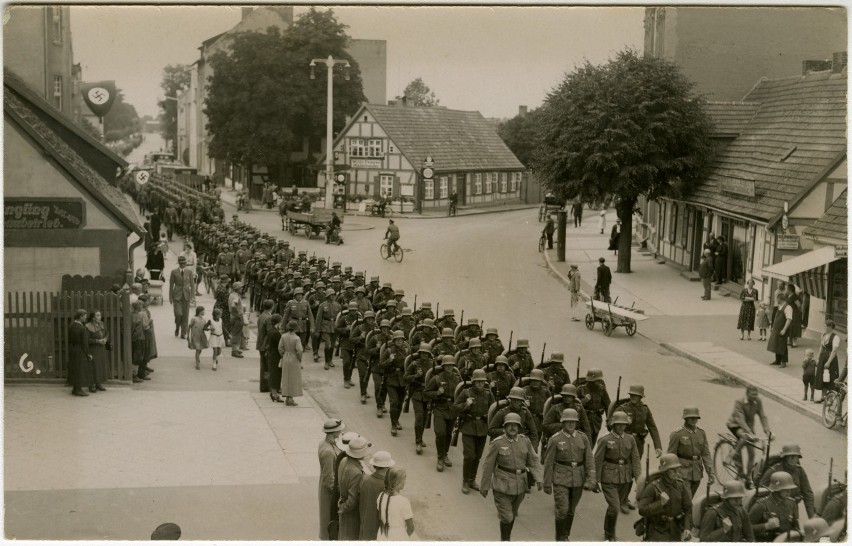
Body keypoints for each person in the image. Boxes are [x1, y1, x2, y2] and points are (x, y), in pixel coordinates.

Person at [480, 412, 544, 542]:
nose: (513, 428)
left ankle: (505, 538)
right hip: (502, 485)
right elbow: (488, 465)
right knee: (507, 517)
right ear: (504, 426)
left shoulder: (525, 441)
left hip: (520, 485)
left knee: (512, 515)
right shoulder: (497, 443)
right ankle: (505, 540)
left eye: (516, 425)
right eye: (510, 425)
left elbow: (533, 460)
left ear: (519, 427)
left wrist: (539, 478)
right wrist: (484, 486)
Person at [542, 408, 596, 541]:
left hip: (578, 478)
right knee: (563, 509)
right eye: (567, 422)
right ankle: (559, 538)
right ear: (563, 423)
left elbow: (589, 459)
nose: (570, 424)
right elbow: (548, 463)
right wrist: (547, 483)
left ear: (577, 423)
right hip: (560, 478)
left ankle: (565, 536)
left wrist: (591, 478)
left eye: (573, 422)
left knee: (571, 510)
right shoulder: (555, 439)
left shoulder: (582, 438)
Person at [594, 410, 641, 541]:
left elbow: (635, 459)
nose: (621, 427)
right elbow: (597, 460)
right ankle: (610, 534)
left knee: (614, 507)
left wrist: (639, 479)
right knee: (615, 506)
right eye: (618, 424)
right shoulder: (605, 440)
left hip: (625, 478)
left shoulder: (630, 439)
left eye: (623, 424)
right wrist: (595, 480)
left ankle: (607, 530)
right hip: (608, 478)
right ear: (613, 425)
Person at [455, 368, 496, 494]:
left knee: (477, 456)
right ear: (473, 381)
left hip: (482, 428)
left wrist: (488, 418)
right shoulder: (466, 393)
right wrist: (466, 405)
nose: (480, 384)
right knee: (469, 456)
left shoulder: (488, 394)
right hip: (468, 427)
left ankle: (472, 479)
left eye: (482, 382)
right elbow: (455, 408)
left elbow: (494, 409)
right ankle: (465, 481)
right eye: (478, 381)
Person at [637, 454, 693, 542]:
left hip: (675, 528)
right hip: (657, 529)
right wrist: (660, 503)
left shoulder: (680, 485)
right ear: (665, 471)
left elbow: (688, 508)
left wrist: (687, 528)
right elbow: (642, 510)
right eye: (673, 470)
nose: (676, 473)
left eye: (677, 469)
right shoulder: (653, 487)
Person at [726, 386, 772, 487]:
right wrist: (750, 433)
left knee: (752, 453)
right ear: (747, 393)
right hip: (735, 425)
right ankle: (733, 453)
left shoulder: (758, 401)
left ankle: (747, 478)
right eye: (753, 394)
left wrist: (767, 431)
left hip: (749, 428)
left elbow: (763, 416)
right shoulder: (739, 402)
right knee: (745, 437)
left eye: (756, 394)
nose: (755, 396)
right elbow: (740, 419)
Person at [425, 355, 463, 472]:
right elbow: (426, 393)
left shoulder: (457, 379)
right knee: (440, 433)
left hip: (452, 409)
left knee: (448, 434)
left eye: (451, 365)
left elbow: (463, 391)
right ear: (443, 366)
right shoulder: (436, 379)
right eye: (447, 365)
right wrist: (437, 393)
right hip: (440, 408)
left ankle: (445, 454)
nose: (449, 367)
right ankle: (440, 458)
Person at [667, 407, 714, 497]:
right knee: (687, 498)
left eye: (695, 418)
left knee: (689, 498)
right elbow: (671, 455)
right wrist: (672, 473)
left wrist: (710, 472)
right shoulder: (677, 434)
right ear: (685, 418)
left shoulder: (701, 433)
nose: (693, 420)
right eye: (691, 417)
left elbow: (705, 454)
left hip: (697, 472)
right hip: (683, 471)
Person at [758, 444, 815, 518]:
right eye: (790, 456)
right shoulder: (773, 470)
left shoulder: (799, 470)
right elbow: (760, 491)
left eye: (795, 456)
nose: (793, 459)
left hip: (791, 509)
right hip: (773, 509)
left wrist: (811, 517)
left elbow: (808, 494)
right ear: (785, 457)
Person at [749, 471, 800, 541]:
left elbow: (795, 526)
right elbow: (746, 528)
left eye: (790, 489)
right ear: (777, 489)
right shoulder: (761, 505)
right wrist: (766, 526)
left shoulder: (791, 503)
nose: (789, 492)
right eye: (785, 489)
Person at [337, 436, 370, 540]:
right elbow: (352, 501)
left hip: (343, 504)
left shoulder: (344, 461)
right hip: (351, 514)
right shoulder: (356, 473)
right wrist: (343, 508)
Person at [318, 418, 345, 540]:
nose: (340, 433)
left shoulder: (325, 444)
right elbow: (329, 479)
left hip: (326, 486)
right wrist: (337, 495)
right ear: (333, 432)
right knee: (328, 517)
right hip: (329, 490)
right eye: (338, 431)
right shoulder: (328, 451)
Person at [380, 330, 411, 436]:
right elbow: (381, 364)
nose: (399, 341)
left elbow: (410, 365)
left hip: (403, 380)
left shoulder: (406, 351)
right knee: (393, 403)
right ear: (394, 340)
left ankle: (396, 419)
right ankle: (393, 425)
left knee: (400, 403)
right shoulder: (389, 350)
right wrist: (389, 360)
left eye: (401, 340)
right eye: (397, 340)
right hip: (391, 380)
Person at [360, 451, 395, 540]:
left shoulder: (365, 480)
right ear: (388, 467)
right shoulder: (386, 486)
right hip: (378, 528)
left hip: (365, 523)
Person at [377, 467, 415, 541]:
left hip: (382, 534)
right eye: (403, 480)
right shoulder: (403, 501)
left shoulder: (380, 496)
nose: (405, 482)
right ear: (397, 482)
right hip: (398, 536)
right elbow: (410, 528)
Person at [814, 319, 841, 402]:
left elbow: (834, 351)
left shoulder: (835, 337)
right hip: (823, 358)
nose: (824, 327)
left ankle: (830, 398)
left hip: (830, 359)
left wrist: (829, 362)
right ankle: (823, 396)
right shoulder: (823, 335)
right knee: (822, 377)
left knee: (830, 377)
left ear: (830, 327)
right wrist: (818, 358)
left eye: (826, 326)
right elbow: (821, 347)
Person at [168, 255, 195, 339]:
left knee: (185, 315)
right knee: (178, 314)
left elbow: (192, 285)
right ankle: (177, 327)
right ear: (179, 263)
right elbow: (171, 285)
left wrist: (192, 297)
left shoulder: (189, 272)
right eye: (181, 263)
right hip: (177, 295)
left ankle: (184, 333)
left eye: (184, 263)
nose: (183, 264)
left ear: (186, 263)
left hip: (186, 295)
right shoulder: (174, 272)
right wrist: (170, 297)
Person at [277, 320, 303, 406]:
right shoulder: (296, 338)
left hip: (285, 357)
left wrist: (283, 354)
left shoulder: (283, 336)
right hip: (294, 357)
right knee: (293, 379)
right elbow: (299, 350)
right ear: (296, 328)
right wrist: (299, 359)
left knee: (286, 378)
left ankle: (287, 397)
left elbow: (280, 348)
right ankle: (290, 398)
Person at [69, 308, 94, 396]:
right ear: (80, 317)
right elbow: (84, 343)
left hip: (72, 348)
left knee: (75, 369)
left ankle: (75, 389)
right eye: (84, 316)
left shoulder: (71, 325)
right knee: (80, 369)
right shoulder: (82, 328)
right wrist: (88, 354)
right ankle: (78, 390)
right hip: (79, 349)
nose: (85, 318)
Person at [85, 310, 109, 393]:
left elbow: (107, 333)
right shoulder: (87, 326)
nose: (100, 317)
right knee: (93, 366)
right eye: (98, 315)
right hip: (93, 349)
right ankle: (91, 385)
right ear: (93, 317)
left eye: (100, 315)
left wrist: (105, 339)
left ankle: (99, 383)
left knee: (100, 365)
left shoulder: (102, 324)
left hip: (101, 349)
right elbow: (87, 340)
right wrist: (98, 341)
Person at [767, 293, 792, 368]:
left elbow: (789, 319)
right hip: (777, 328)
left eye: (776, 298)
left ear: (780, 299)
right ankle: (777, 360)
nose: (776, 300)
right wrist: (773, 326)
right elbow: (776, 318)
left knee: (782, 345)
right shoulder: (779, 306)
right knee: (776, 343)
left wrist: (784, 329)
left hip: (782, 328)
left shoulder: (788, 307)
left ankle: (783, 362)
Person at [265, 315, 283, 402]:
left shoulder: (271, 330)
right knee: (276, 375)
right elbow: (280, 345)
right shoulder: (276, 333)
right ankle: (275, 394)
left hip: (271, 354)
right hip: (276, 355)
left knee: (273, 374)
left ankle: (273, 393)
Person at [187, 305, 209, 370]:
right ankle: (197, 363)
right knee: (198, 348)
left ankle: (198, 357)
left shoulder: (204, 320)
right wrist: (188, 335)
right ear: (200, 311)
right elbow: (189, 327)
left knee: (200, 348)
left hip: (202, 336)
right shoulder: (194, 319)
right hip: (195, 336)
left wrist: (209, 329)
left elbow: (204, 328)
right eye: (203, 310)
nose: (204, 312)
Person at [228, 282, 245, 358]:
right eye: (241, 288)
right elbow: (233, 305)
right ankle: (234, 351)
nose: (242, 289)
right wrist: (237, 314)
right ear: (237, 289)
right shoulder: (236, 296)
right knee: (236, 334)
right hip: (237, 318)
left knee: (235, 333)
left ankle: (235, 349)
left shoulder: (231, 294)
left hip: (232, 317)